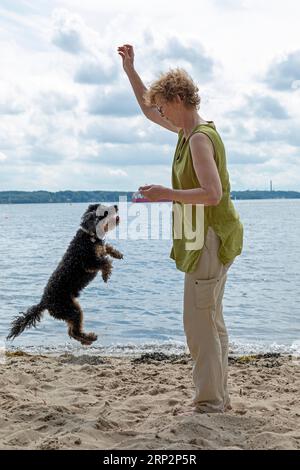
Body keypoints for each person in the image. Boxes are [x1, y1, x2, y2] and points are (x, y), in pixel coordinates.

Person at [118, 44, 243, 413]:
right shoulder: (185, 132)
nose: (159, 110)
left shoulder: (200, 138)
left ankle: (210, 402)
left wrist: (164, 194)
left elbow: (212, 193)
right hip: (210, 237)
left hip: (209, 238)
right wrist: (130, 69)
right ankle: (218, 397)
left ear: (178, 98)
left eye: (164, 104)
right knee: (211, 320)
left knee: (198, 325)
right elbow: (146, 107)